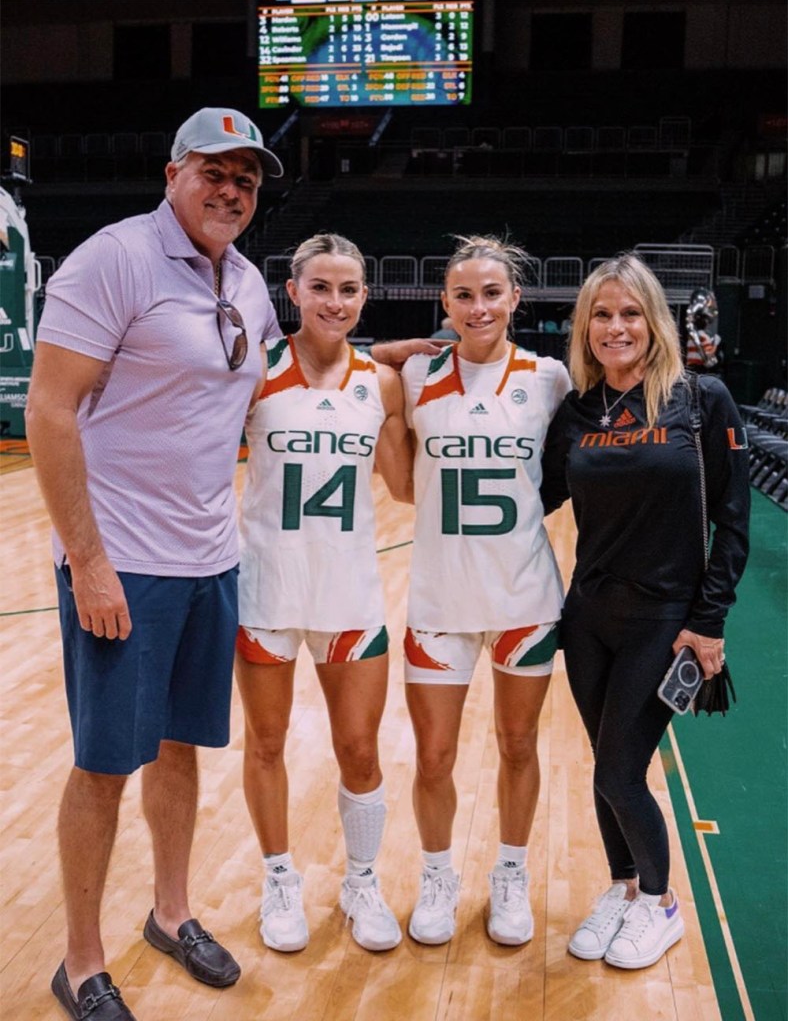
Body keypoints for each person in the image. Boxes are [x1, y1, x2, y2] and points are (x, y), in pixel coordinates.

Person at [25, 107, 286, 1021]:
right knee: (106, 763)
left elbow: (267, 386)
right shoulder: (115, 259)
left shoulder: (249, 283)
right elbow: (49, 413)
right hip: (122, 562)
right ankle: (81, 962)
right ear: (172, 171)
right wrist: (87, 563)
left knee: (180, 748)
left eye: (247, 180)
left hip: (209, 559)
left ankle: (171, 915)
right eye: (214, 171)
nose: (231, 191)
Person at [540, 254, 749, 969]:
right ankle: (623, 888)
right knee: (605, 761)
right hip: (588, 617)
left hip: (665, 621)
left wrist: (711, 619)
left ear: (654, 319)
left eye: (630, 312)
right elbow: (534, 497)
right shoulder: (576, 412)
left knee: (620, 772)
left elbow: (733, 517)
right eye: (601, 314)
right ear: (585, 326)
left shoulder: (701, 399)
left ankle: (661, 904)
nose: (616, 326)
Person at [234, 233, 412, 954]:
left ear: (364, 297)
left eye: (349, 290)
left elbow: (402, 486)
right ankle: (279, 881)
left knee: (360, 749)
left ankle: (361, 882)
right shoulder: (253, 373)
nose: (335, 302)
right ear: (293, 294)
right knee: (267, 743)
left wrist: (424, 379)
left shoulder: (383, 382)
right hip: (267, 589)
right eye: (321, 288)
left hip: (348, 593)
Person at [400, 235, 572, 946]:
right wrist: (411, 346)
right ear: (444, 302)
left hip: (524, 600)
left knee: (519, 745)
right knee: (433, 756)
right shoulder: (413, 374)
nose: (478, 307)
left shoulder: (551, 377)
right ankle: (437, 876)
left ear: (515, 300)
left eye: (491, 293)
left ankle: (510, 873)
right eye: (463, 295)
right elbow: (351, 359)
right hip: (439, 602)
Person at [684, 286, 723, 375]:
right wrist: (716, 343)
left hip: (689, 369)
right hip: (700, 370)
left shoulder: (690, 337)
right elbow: (709, 357)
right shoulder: (703, 336)